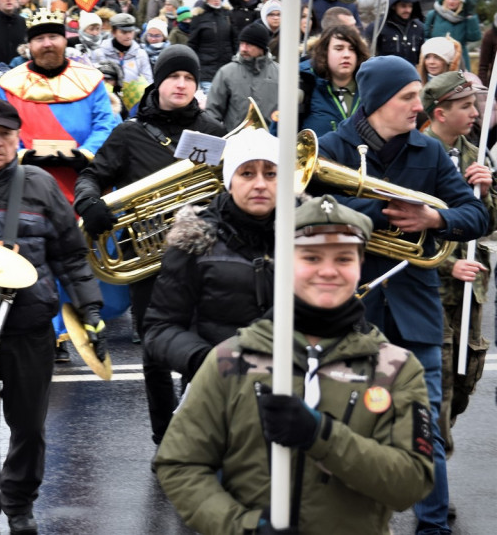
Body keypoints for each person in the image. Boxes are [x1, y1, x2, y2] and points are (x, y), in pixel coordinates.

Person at [155, 195, 435, 535]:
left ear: (360, 265)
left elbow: (412, 483)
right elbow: (179, 463)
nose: (328, 271)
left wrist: (321, 436)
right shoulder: (232, 359)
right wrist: (243, 529)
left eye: (344, 258)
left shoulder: (395, 369)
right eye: (311, 257)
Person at [316, 55, 489, 535]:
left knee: (426, 426)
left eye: (419, 95)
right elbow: (307, 209)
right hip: (350, 311)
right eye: (408, 97)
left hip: (417, 310)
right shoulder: (331, 147)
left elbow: (478, 217)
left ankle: (432, 525)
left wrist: (436, 220)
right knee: (347, 424)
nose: (420, 105)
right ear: (376, 102)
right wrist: (378, 211)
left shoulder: (430, 153)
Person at [0, 99, 106, 535]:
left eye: (6, 135)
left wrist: (90, 309)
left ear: (18, 139)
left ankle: (19, 504)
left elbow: (70, 253)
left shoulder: (41, 184)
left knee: (29, 427)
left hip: (30, 327)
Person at [75, 44, 224, 454]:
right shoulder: (129, 132)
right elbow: (92, 175)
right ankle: (165, 440)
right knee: (155, 352)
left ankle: (195, 436)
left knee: (201, 347)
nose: (181, 85)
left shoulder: (213, 130)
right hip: (149, 263)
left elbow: (229, 189)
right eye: (174, 76)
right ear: (158, 80)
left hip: (202, 257)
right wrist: (90, 203)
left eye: (189, 79)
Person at [145, 128, 278, 387]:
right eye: (247, 173)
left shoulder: (309, 237)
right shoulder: (194, 242)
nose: (260, 184)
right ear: (230, 180)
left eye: (271, 173)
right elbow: (160, 329)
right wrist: (205, 360)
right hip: (216, 390)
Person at [418, 72, 497, 454]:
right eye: (465, 106)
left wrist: (487, 188)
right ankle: (434, 478)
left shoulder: (477, 153)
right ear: (439, 112)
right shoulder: (417, 153)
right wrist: (449, 266)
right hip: (433, 285)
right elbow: (410, 229)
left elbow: (491, 221)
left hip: (474, 286)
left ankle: (438, 445)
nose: (474, 112)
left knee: (466, 379)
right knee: (442, 384)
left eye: (474, 104)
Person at [0, 9, 121, 202]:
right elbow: (3, 129)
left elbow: (104, 124)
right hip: (26, 183)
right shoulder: (8, 84)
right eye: (39, 39)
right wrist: (23, 156)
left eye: (53, 36)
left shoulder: (91, 79)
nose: (47, 44)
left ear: (64, 40)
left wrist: (85, 155)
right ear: (29, 45)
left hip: (83, 181)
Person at [205, 22, 279, 130]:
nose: (243, 48)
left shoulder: (280, 74)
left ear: (261, 47)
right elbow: (212, 112)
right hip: (235, 142)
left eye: (249, 44)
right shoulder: (226, 73)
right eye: (242, 43)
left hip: (271, 142)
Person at [298, 25, 370, 136]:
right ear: (325, 52)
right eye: (339, 48)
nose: (346, 55)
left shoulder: (370, 87)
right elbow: (279, 135)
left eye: (352, 49)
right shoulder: (305, 83)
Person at [88, 13, 152, 115]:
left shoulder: (140, 54)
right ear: (113, 32)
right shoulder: (99, 53)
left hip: (133, 107)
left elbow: (149, 83)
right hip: (107, 105)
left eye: (131, 31)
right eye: (123, 32)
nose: (129, 36)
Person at [187, 0, 237, 92]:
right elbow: (192, 44)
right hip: (206, 70)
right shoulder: (198, 17)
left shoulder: (227, 14)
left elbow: (235, 40)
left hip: (227, 68)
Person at [424, 0, 481, 71]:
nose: (451, 1)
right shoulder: (433, 14)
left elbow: (474, 37)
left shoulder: (466, 17)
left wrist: (471, 16)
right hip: (437, 61)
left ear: (462, 1)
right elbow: (424, 36)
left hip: (460, 62)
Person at [363, 0, 425, 65]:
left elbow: (421, 57)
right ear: (393, 6)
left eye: (410, 6)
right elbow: (366, 55)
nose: (408, 10)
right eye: (403, 6)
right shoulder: (378, 28)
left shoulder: (418, 28)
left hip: (412, 75)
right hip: (386, 74)